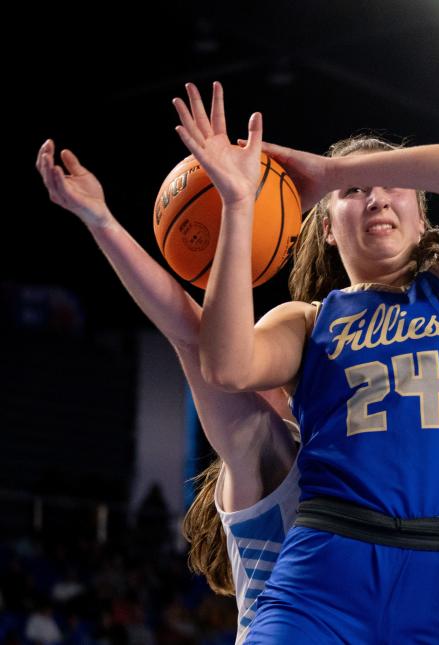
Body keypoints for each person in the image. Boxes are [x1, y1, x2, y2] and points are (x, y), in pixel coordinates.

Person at [172, 82, 439, 643]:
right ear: (327, 228)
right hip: (328, 565)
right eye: (355, 191)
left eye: (392, 186)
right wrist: (238, 204)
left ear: (423, 213)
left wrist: (329, 174)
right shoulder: (308, 322)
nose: (376, 198)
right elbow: (228, 365)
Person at [35, 139, 300, 643]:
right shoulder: (262, 451)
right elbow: (189, 332)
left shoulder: (335, 459)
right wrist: (102, 222)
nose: (252, 377)